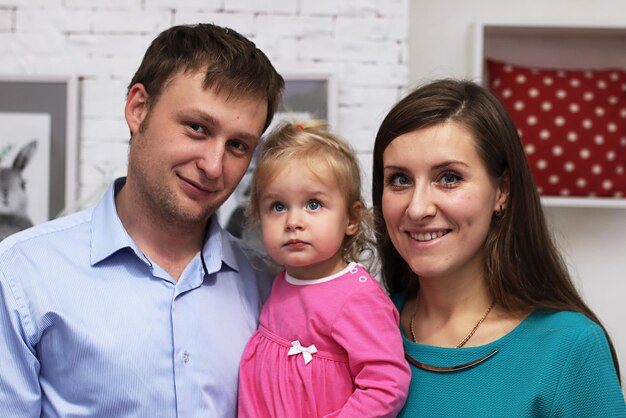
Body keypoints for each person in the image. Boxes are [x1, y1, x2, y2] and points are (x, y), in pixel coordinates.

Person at [0, 23, 284, 417]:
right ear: (138, 109)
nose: (214, 166)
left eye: (238, 145)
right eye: (197, 128)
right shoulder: (21, 274)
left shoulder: (272, 286)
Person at [371, 78, 626, 416]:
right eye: (400, 180)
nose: (417, 209)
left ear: (502, 191)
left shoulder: (569, 349)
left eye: (449, 178)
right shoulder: (355, 330)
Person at [237, 120, 411, 417]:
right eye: (277, 206)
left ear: (351, 219)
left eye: (314, 204)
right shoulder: (280, 280)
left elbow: (387, 385)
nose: (293, 221)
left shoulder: (356, 297)